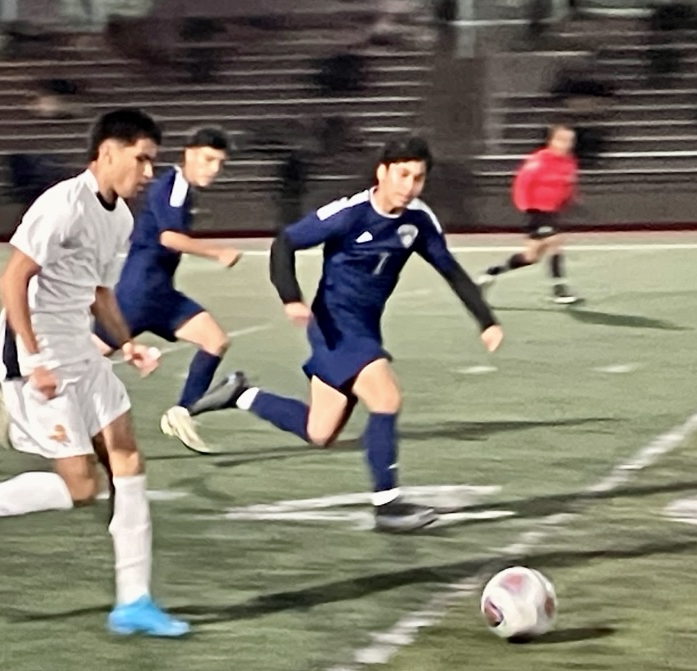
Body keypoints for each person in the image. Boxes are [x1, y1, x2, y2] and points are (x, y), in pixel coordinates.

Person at [0, 109, 189, 638]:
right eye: (142, 159)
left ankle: (134, 601)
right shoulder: (63, 204)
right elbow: (11, 280)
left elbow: (100, 292)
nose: (148, 173)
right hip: (35, 351)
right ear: (107, 152)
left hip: (82, 350)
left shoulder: (121, 220)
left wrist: (129, 344)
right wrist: (36, 356)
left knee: (128, 456)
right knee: (81, 486)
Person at [188, 136, 504, 533]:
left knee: (320, 432)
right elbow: (285, 242)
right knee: (386, 398)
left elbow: (450, 269)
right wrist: (291, 298)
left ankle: (241, 394)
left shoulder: (418, 220)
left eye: (418, 178)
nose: (409, 185)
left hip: (364, 327)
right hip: (335, 325)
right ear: (382, 172)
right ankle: (388, 505)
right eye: (402, 174)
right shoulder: (351, 213)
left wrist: (486, 320)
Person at [92, 127, 241, 454]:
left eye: (219, 162)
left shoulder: (183, 190)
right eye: (208, 159)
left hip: (160, 295)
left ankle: (181, 413)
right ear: (188, 153)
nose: (214, 168)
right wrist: (217, 252)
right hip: (138, 294)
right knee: (85, 359)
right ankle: (26, 392)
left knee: (215, 340)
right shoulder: (173, 187)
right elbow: (169, 238)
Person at [477, 124, 581, 304]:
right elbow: (522, 184)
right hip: (536, 212)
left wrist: (568, 200)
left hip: (552, 212)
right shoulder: (538, 160)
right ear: (551, 141)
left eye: (570, 140)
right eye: (562, 139)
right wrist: (526, 208)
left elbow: (568, 185)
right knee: (555, 242)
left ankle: (490, 273)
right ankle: (559, 289)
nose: (566, 144)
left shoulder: (569, 162)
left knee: (530, 257)